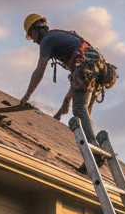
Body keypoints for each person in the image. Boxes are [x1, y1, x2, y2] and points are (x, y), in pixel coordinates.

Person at [19, 14, 117, 145]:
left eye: (32, 35)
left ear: (36, 29)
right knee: (84, 111)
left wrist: (26, 96)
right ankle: (96, 146)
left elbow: (40, 70)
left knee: (80, 109)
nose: (33, 40)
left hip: (88, 68)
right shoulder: (59, 37)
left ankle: (93, 145)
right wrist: (66, 102)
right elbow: (78, 77)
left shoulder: (47, 40)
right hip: (98, 69)